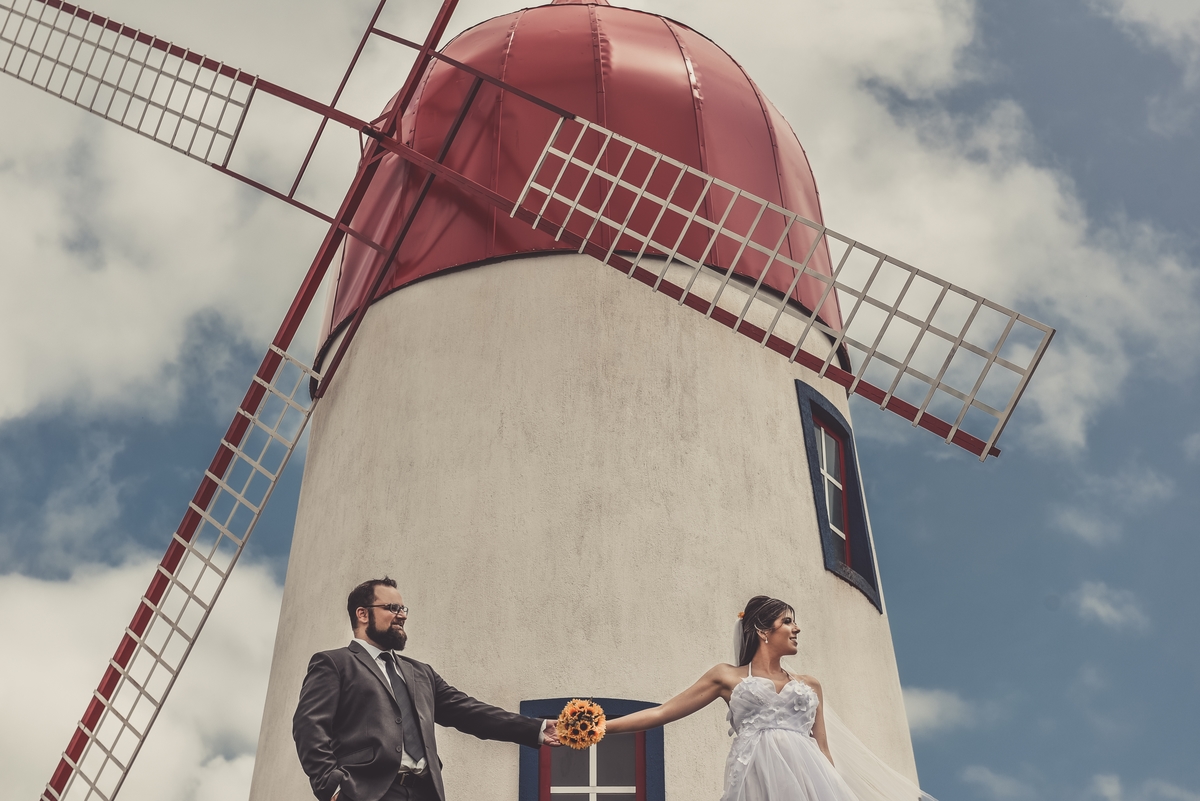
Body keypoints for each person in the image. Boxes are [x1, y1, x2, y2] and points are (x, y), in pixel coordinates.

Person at [292, 577, 561, 801]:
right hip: (365, 792)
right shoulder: (334, 663)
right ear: (362, 614)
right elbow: (309, 726)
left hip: (424, 792)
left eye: (403, 609)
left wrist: (535, 728)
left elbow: (471, 713)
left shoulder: (420, 673)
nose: (401, 615)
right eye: (392, 608)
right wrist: (332, 787)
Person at [604, 595, 859, 801]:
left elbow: (823, 750)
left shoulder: (810, 685)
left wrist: (833, 790)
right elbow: (661, 712)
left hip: (808, 783)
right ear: (763, 630)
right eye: (787, 621)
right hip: (755, 783)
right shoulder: (726, 676)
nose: (797, 628)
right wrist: (600, 727)